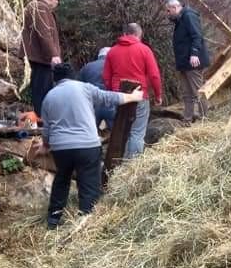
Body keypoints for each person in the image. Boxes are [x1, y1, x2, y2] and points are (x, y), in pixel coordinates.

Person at [41, 62, 143, 229]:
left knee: (62, 180)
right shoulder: (85, 88)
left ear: (56, 80)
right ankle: (86, 220)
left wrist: (45, 145)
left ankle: (54, 219)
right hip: (87, 145)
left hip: (61, 148)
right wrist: (133, 97)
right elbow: (109, 97)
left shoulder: (49, 96)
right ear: (72, 75)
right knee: (88, 181)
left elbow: (47, 129)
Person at [103, 23, 163, 157]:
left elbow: (106, 77)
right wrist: (158, 95)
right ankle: (131, 167)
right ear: (139, 35)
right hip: (139, 95)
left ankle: (116, 162)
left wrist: (112, 93)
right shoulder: (144, 50)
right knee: (137, 132)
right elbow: (154, 75)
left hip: (119, 95)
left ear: (124, 34)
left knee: (121, 130)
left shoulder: (112, 51)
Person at [164, 0, 209, 123]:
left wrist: (194, 53)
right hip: (183, 63)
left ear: (174, 7)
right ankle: (187, 119)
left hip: (193, 62)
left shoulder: (188, 16)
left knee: (197, 91)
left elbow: (197, 35)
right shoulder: (180, 19)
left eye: (168, 11)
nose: (167, 14)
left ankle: (205, 119)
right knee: (186, 93)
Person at [20, 0, 62, 114]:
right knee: (42, 90)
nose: (56, 6)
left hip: (37, 55)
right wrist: (53, 54)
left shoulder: (34, 6)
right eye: (57, 2)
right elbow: (44, 32)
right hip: (41, 57)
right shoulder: (40, 8)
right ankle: (41, 117)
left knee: (39, 88)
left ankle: (40, 116)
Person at [79, 46, 116, 129]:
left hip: (92, 105)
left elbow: (80, 86)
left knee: (90, 132)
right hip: (110, 104)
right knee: (116, 134)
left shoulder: (87, 67)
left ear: (99, 56)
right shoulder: (114, 66)